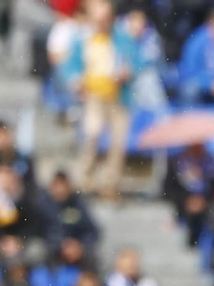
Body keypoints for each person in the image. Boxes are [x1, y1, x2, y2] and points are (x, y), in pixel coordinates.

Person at [66, 0, 135, 200]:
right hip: (93, 96)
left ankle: (110, 184)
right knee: (91, 136)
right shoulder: (83, 39)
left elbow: (137, 61)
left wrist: (127, 72)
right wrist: (77, 81)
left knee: (118, 143)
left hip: (117, 96)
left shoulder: (122, 39)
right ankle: (84, 181)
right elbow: (71, 67)